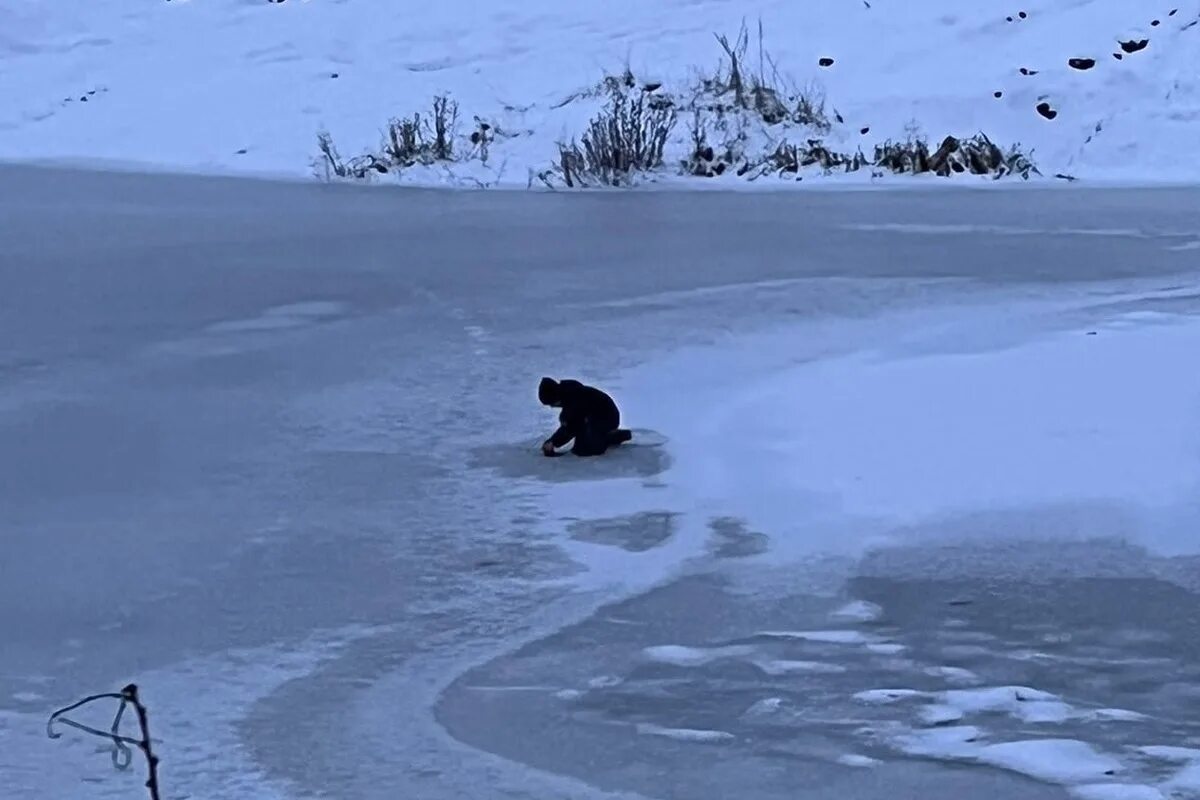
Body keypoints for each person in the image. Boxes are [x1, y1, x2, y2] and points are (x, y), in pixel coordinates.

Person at [538, 377, 633, 457]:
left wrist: (553, 442)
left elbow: (570, 427)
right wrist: (553, 441)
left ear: (556, 397)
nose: (552, 407)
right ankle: (608, 436)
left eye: (551, 403)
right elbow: (570, 425)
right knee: (581, 446)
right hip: (600, 418)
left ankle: (612, 436)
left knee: (585, 451)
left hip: (605, 418)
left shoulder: (574, 400)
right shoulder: (570, 396)